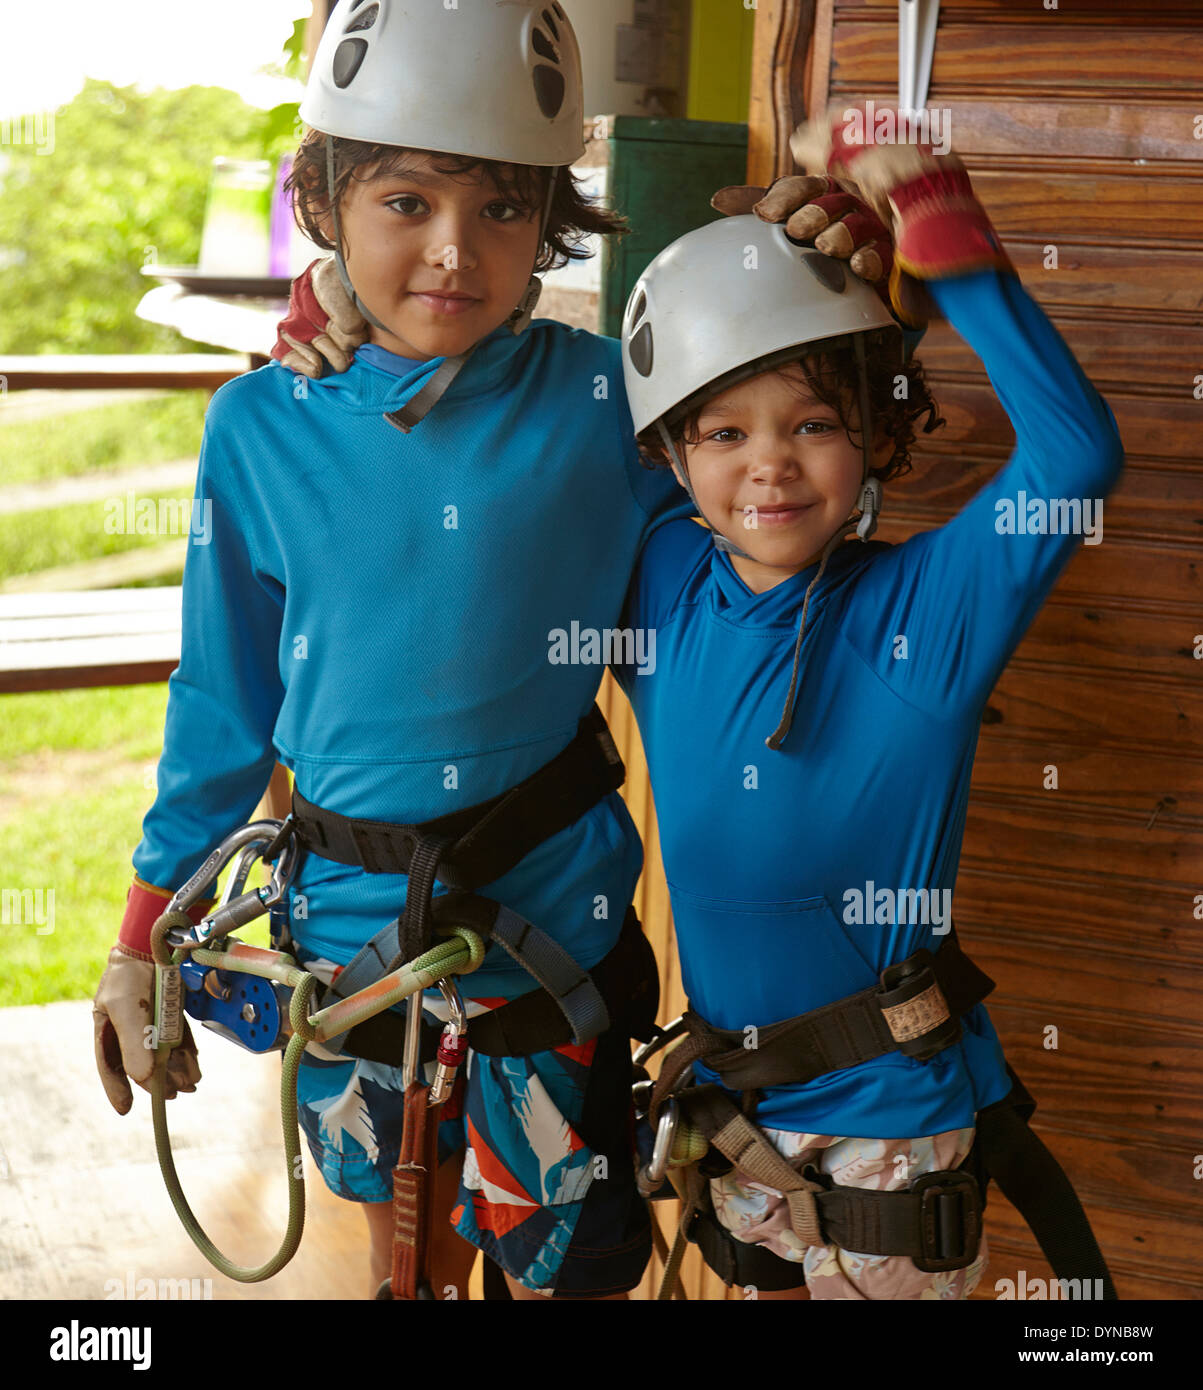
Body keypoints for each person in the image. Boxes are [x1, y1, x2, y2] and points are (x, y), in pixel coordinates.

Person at [91, 0, 698, 1302]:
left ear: (549, 221)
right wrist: (144, 934)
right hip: (349, 945)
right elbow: (222, 706)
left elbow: (747, 542)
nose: (451, 252)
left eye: (497, 209)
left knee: (563, 1261)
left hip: (551, 932)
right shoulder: (258, 429)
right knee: (396, 1245)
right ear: (322, 202)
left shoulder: (605, 401)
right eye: (404, 203)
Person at [611, 104, 1125, 1300]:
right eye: (726, 431)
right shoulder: (660, 577)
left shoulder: (933, 607)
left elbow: (1075, 458)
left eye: (819, 423)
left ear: (882, 431)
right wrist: (348, 312)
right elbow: (538, 414)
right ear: (676, 459)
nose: (770, 463)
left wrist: (941, 241)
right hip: (736, 1108)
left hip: (892, 1127)